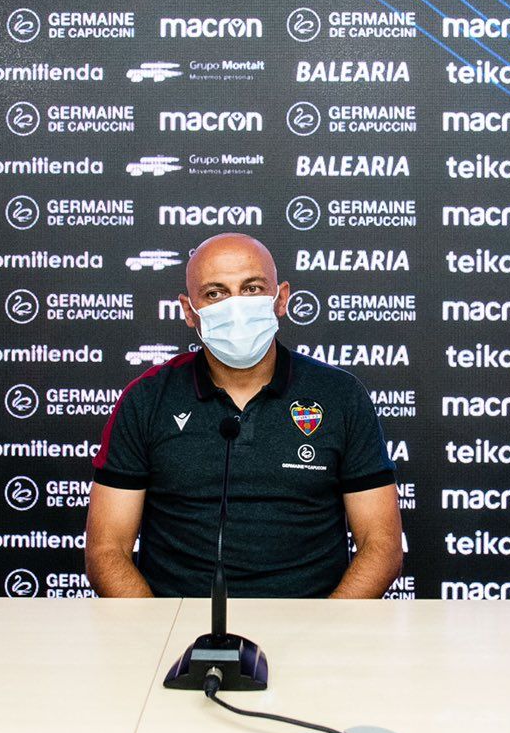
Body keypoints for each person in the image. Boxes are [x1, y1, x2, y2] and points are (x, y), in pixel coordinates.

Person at [86, 233, 404, 599]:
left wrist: (326, 635)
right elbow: (106, 551)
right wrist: (160, 637)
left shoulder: (340, 396)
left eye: (252, 289)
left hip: (313, 630)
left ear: (280, 299)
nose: (235, 306)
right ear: (190, 312)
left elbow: (381, 546)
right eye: (215, 293)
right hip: (178, 632)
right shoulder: (146, 399)